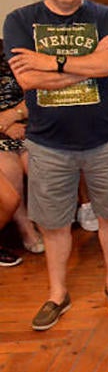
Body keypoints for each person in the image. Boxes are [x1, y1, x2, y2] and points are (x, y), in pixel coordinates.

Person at [4, 0, 108, 330]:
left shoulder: (106, 16)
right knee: (54, 224)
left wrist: (53, 62)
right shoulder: (19, 20)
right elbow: (27, 79)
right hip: (48, 143)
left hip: (107, 138)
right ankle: (57, 294)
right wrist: (90, 67)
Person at [0, 54, 40, 264]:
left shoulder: (9, 52)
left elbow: (34, 91)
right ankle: (26, 230)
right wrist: (5, 126)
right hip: (2, 133)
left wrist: (15, 115)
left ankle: (51, 227)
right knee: (11, 171)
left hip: (24, 123)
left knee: (37, 165)